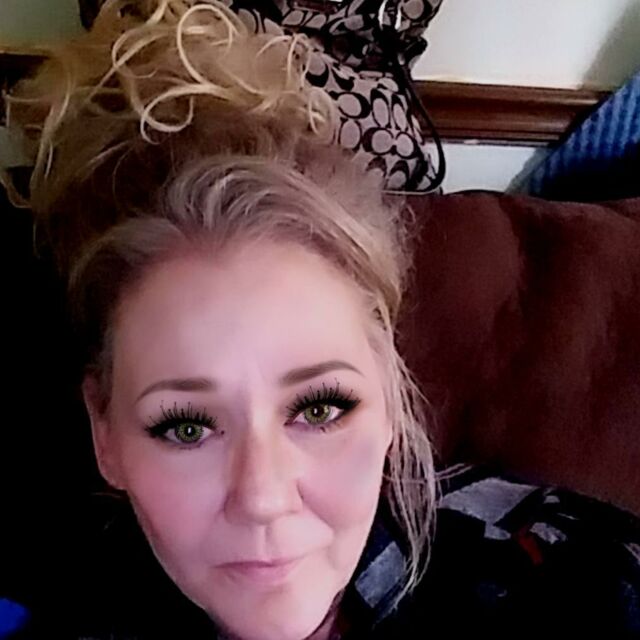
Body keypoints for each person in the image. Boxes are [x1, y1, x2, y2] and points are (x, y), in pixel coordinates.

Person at [2, 2, 639, 638]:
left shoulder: (566, 577)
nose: (263, 498)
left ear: (390, 393)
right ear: (105, 436)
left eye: (319, 408)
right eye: (187, 427)